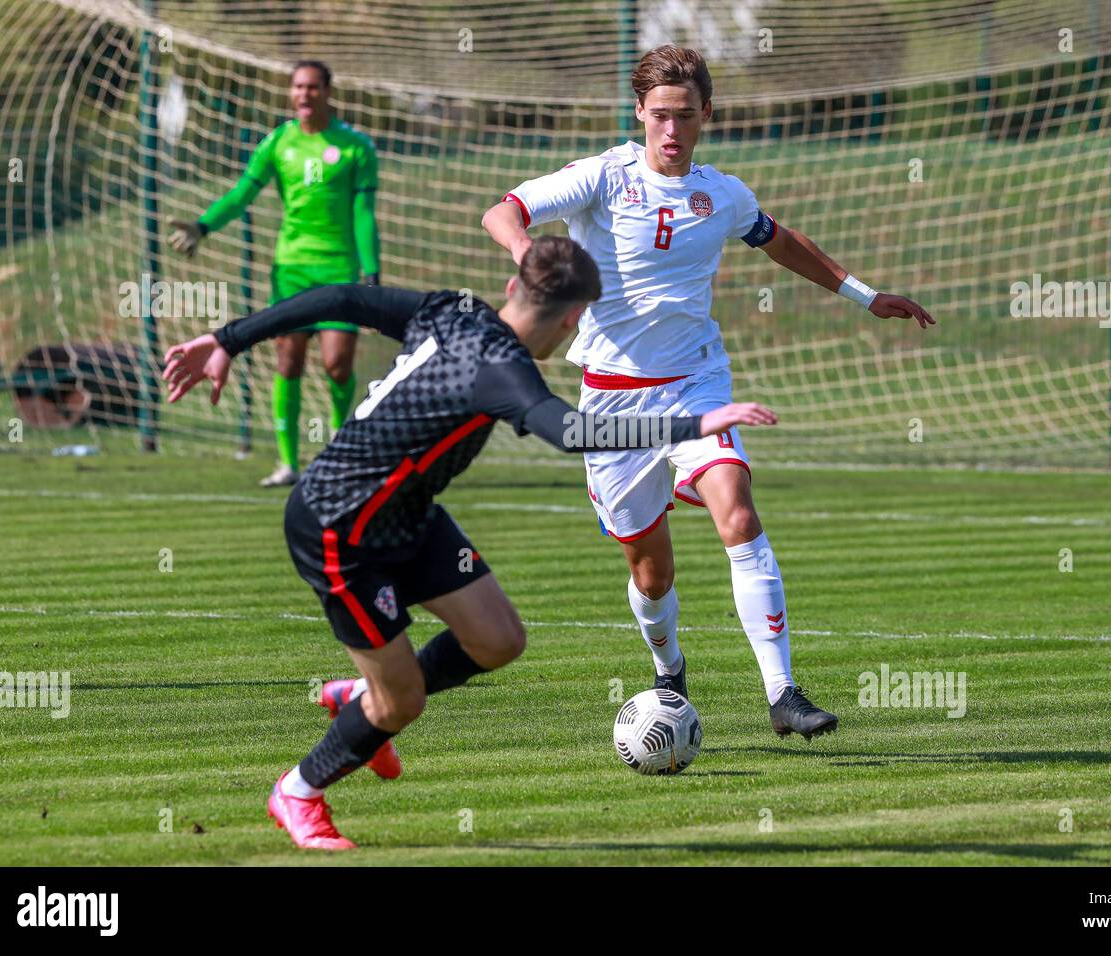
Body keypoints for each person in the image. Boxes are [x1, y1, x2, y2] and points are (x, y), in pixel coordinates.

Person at [162, 236, 777, 849]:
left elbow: (341, 297)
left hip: (408, 513)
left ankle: (361, 700)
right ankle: (299, 790)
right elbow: (571, 431)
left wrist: (226, 339)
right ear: (572, 320)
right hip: (338, 527)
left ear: (514, 287)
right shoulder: (503, 369)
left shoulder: (449, 307)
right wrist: (694, 422)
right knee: (402, 702)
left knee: (499, 639)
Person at [483, 45, 935, 739]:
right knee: (651, 570)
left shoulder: (723, 194)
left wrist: (863, 295)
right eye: (659, 115)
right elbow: (503, 211)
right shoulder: (602, 178)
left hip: (697, 385)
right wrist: (529, 256)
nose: (671, 130)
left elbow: (778, 241)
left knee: (739, 516)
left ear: (706, 117)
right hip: (612, 400)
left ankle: (783, 693)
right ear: (639, 113)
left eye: (685, 117)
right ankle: (668, 668)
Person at [168, 60, 379, 487]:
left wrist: (371, 272)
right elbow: (243, 191)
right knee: (289, 361)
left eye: (313, 87)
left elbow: (363, 213)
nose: (304, 94)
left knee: (338, 364)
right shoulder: (278, 143)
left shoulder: (356, 146)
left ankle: (341, 450)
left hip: (339, 269)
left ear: (327, 91)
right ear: (291, 93)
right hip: (291, 270)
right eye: (297, 87)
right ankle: (287, 463)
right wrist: (203, 225)